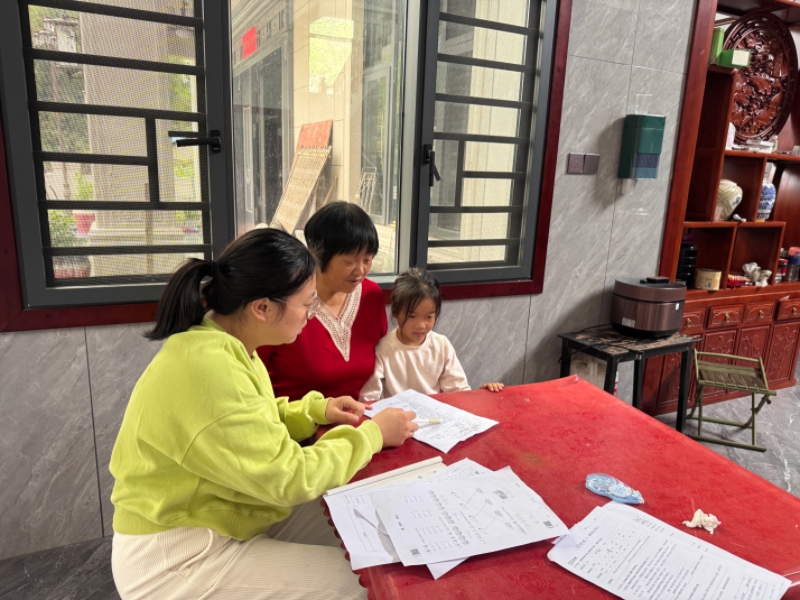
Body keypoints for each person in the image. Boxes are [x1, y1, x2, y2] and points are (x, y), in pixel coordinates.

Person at [109, 228, 417, 600]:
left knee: (357, 523)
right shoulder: (208, 366)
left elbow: (252, 415)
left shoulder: (223, 342)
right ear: (263, 308)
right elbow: (290, 476)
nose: (311, 315)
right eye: (307, 303)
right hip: (176, 557)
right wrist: (373, 435)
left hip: (221, 515)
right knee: (367, 584)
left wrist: (315, 410)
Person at [258, 201, 387, 400]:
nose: (360, 270)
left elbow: (383, 360)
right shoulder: (285, 300)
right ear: (318, 254)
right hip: (293, 417)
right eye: (350, 261)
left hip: (360, 414)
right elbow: (254, 375)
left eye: (367, 260)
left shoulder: (371, 295)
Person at [360, 268, 504, 401]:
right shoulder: (383, 349)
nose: (421, 325)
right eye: (412, 316)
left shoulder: (441, 345)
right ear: (396, 311)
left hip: (435, 416)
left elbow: (459, 391)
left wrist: (481, 394)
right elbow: (369, 399)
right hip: (398, 417)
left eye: (429, 317)